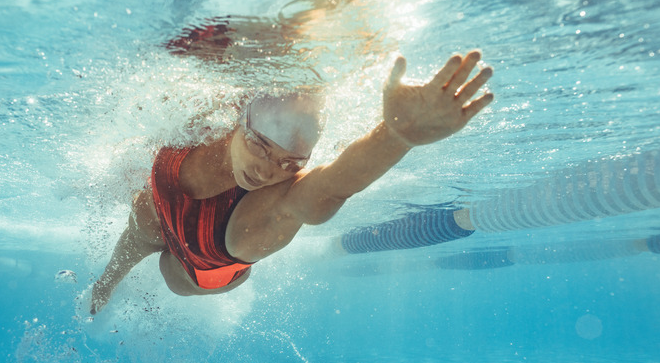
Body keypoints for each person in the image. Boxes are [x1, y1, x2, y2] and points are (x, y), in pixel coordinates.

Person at [89, 51, 494, 314]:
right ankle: (104, 286)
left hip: (203, 268)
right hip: (166, 213)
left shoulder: (266, 214)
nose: (268, 171)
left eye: (290, 162)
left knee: (169, 271)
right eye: (261, 146)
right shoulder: (205, 117)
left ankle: (138, 286)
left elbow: (333, 184)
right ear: (239, 120)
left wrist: (398, 135)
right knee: (143, 215)